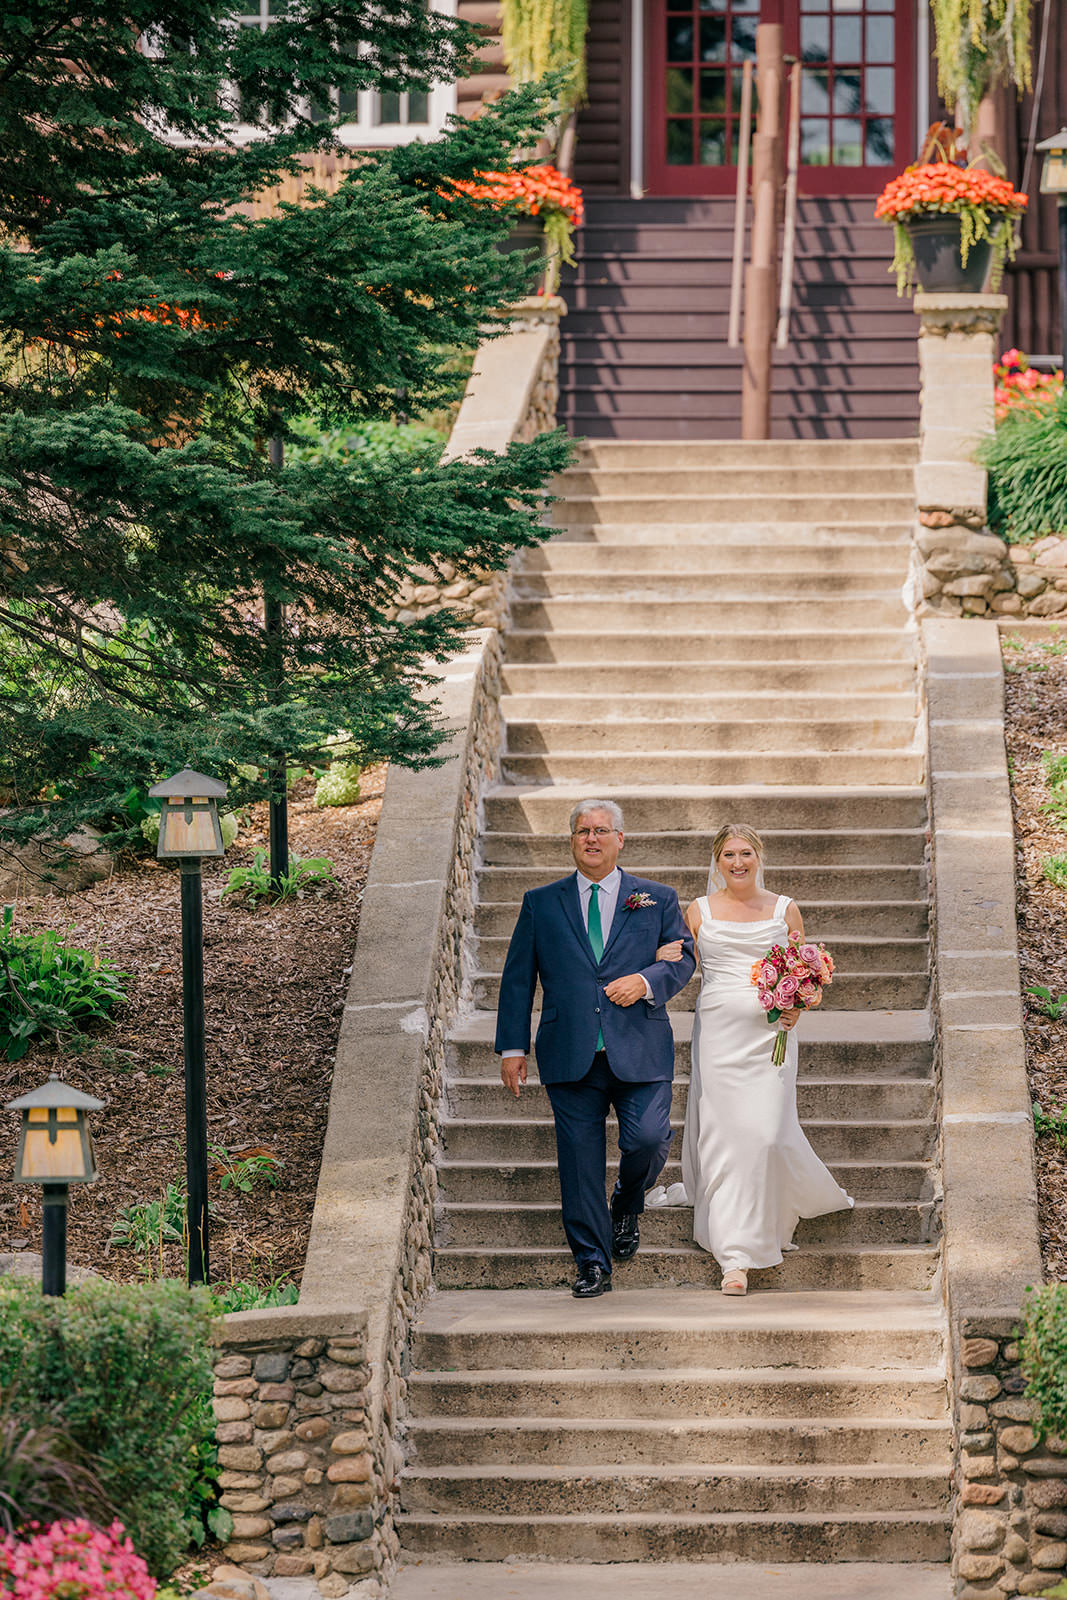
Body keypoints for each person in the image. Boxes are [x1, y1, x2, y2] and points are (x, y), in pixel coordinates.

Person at [494, 799, 696, 1299]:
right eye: (583, 831)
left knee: (648, 1139)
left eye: (602, 830)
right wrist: (511, 1047)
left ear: (620, 839)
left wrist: (646, 980)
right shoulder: (542, 902)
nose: (592, 839)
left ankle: (628, 1202)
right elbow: (518, 979)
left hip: (640, 1047)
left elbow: (683, 958)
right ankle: (591, 1262)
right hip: (569, 1051)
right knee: (579, 1163)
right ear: (572, 841)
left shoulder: (656, 898)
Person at [655, 823, 853, 1296]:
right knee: (724, 1138)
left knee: (766, 1135)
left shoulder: (785, 908)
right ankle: (735, 1257)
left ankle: (772, 1212)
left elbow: (807, 973)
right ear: (716, 861)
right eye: (728, 855)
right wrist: (660, 952)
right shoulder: (698, 911)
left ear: (759, 856)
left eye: (746, 853)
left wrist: (796, 1007)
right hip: (719, 1037)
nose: (738, 863)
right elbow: (681, 961)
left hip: (771, 1039)